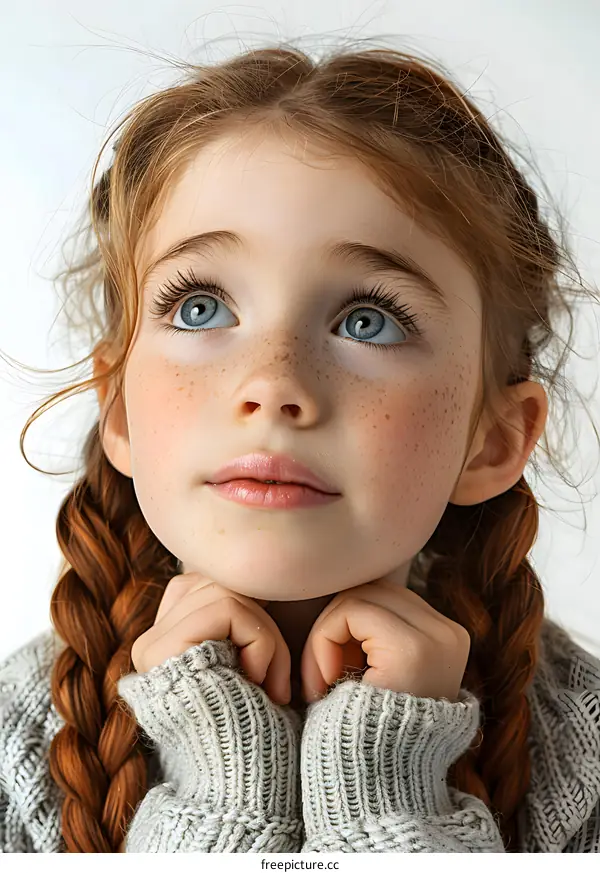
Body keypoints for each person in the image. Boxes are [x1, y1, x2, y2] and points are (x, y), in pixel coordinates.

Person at [1, 38, 599, 854]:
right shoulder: (15, 749)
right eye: (202, 307)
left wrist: (386, 790)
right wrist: (222, 789)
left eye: (367, 320)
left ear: (492, 440)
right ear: (120, 411)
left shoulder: (582, 757)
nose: (273, 382)